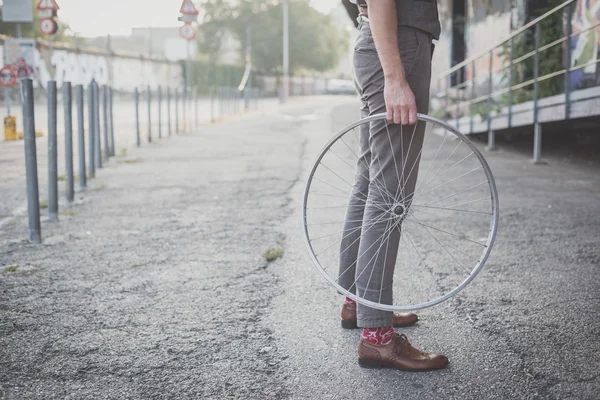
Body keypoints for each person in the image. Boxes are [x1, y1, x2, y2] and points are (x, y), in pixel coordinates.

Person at [337, 0, 449, 371]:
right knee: (390, 195)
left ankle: (361, 305)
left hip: (377, 42)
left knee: (370, 182)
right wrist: (395, 78)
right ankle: (378, 339)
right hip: (397, 46)